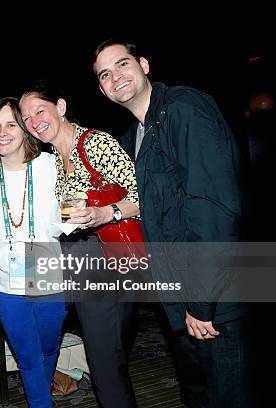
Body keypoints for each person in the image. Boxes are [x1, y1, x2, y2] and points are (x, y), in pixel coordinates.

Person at [93, 38, 249, 407]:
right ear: (101, 89)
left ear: (144, 64)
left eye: (122, 64)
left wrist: (201, 302)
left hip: (218, 295)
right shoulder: (134, 137)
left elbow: (214, 210)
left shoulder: (183, 109)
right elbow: (153, 207)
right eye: (104, 74)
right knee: (197, 394)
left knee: (230, 396)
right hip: (181, 295)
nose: (115, 77)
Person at [19, 80, 140, 408]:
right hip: (77, 259)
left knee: (104, 363)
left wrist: (107, 213)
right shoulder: (53, 157)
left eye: (39, 111)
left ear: (60, 106)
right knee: (104, 357)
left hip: (109, 259)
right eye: (26, 118)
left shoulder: (95, 142)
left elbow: (144, 195)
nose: (33, 122)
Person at [0, 97, 67, 407]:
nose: (3, 133)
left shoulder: (50, 164)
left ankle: (41, 397)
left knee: (48, 347)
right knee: (29, 357)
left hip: (46, 268)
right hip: (4, 278)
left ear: (25, 128)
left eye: (11, 125)